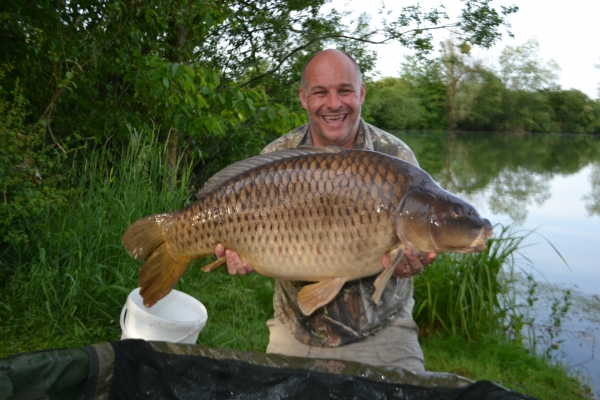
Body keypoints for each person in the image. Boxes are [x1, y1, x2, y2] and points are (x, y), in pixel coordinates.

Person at [214, 49, 436, 373]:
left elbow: (419, 236)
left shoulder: (397, 158)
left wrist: (410, 263)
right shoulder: (278, 156)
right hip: (298, 331)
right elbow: (247, 231)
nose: (334, 104)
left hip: (384, 330)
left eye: (344, 90)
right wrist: (242, 252)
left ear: (361, 92)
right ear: (304, 98)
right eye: (321, 92)